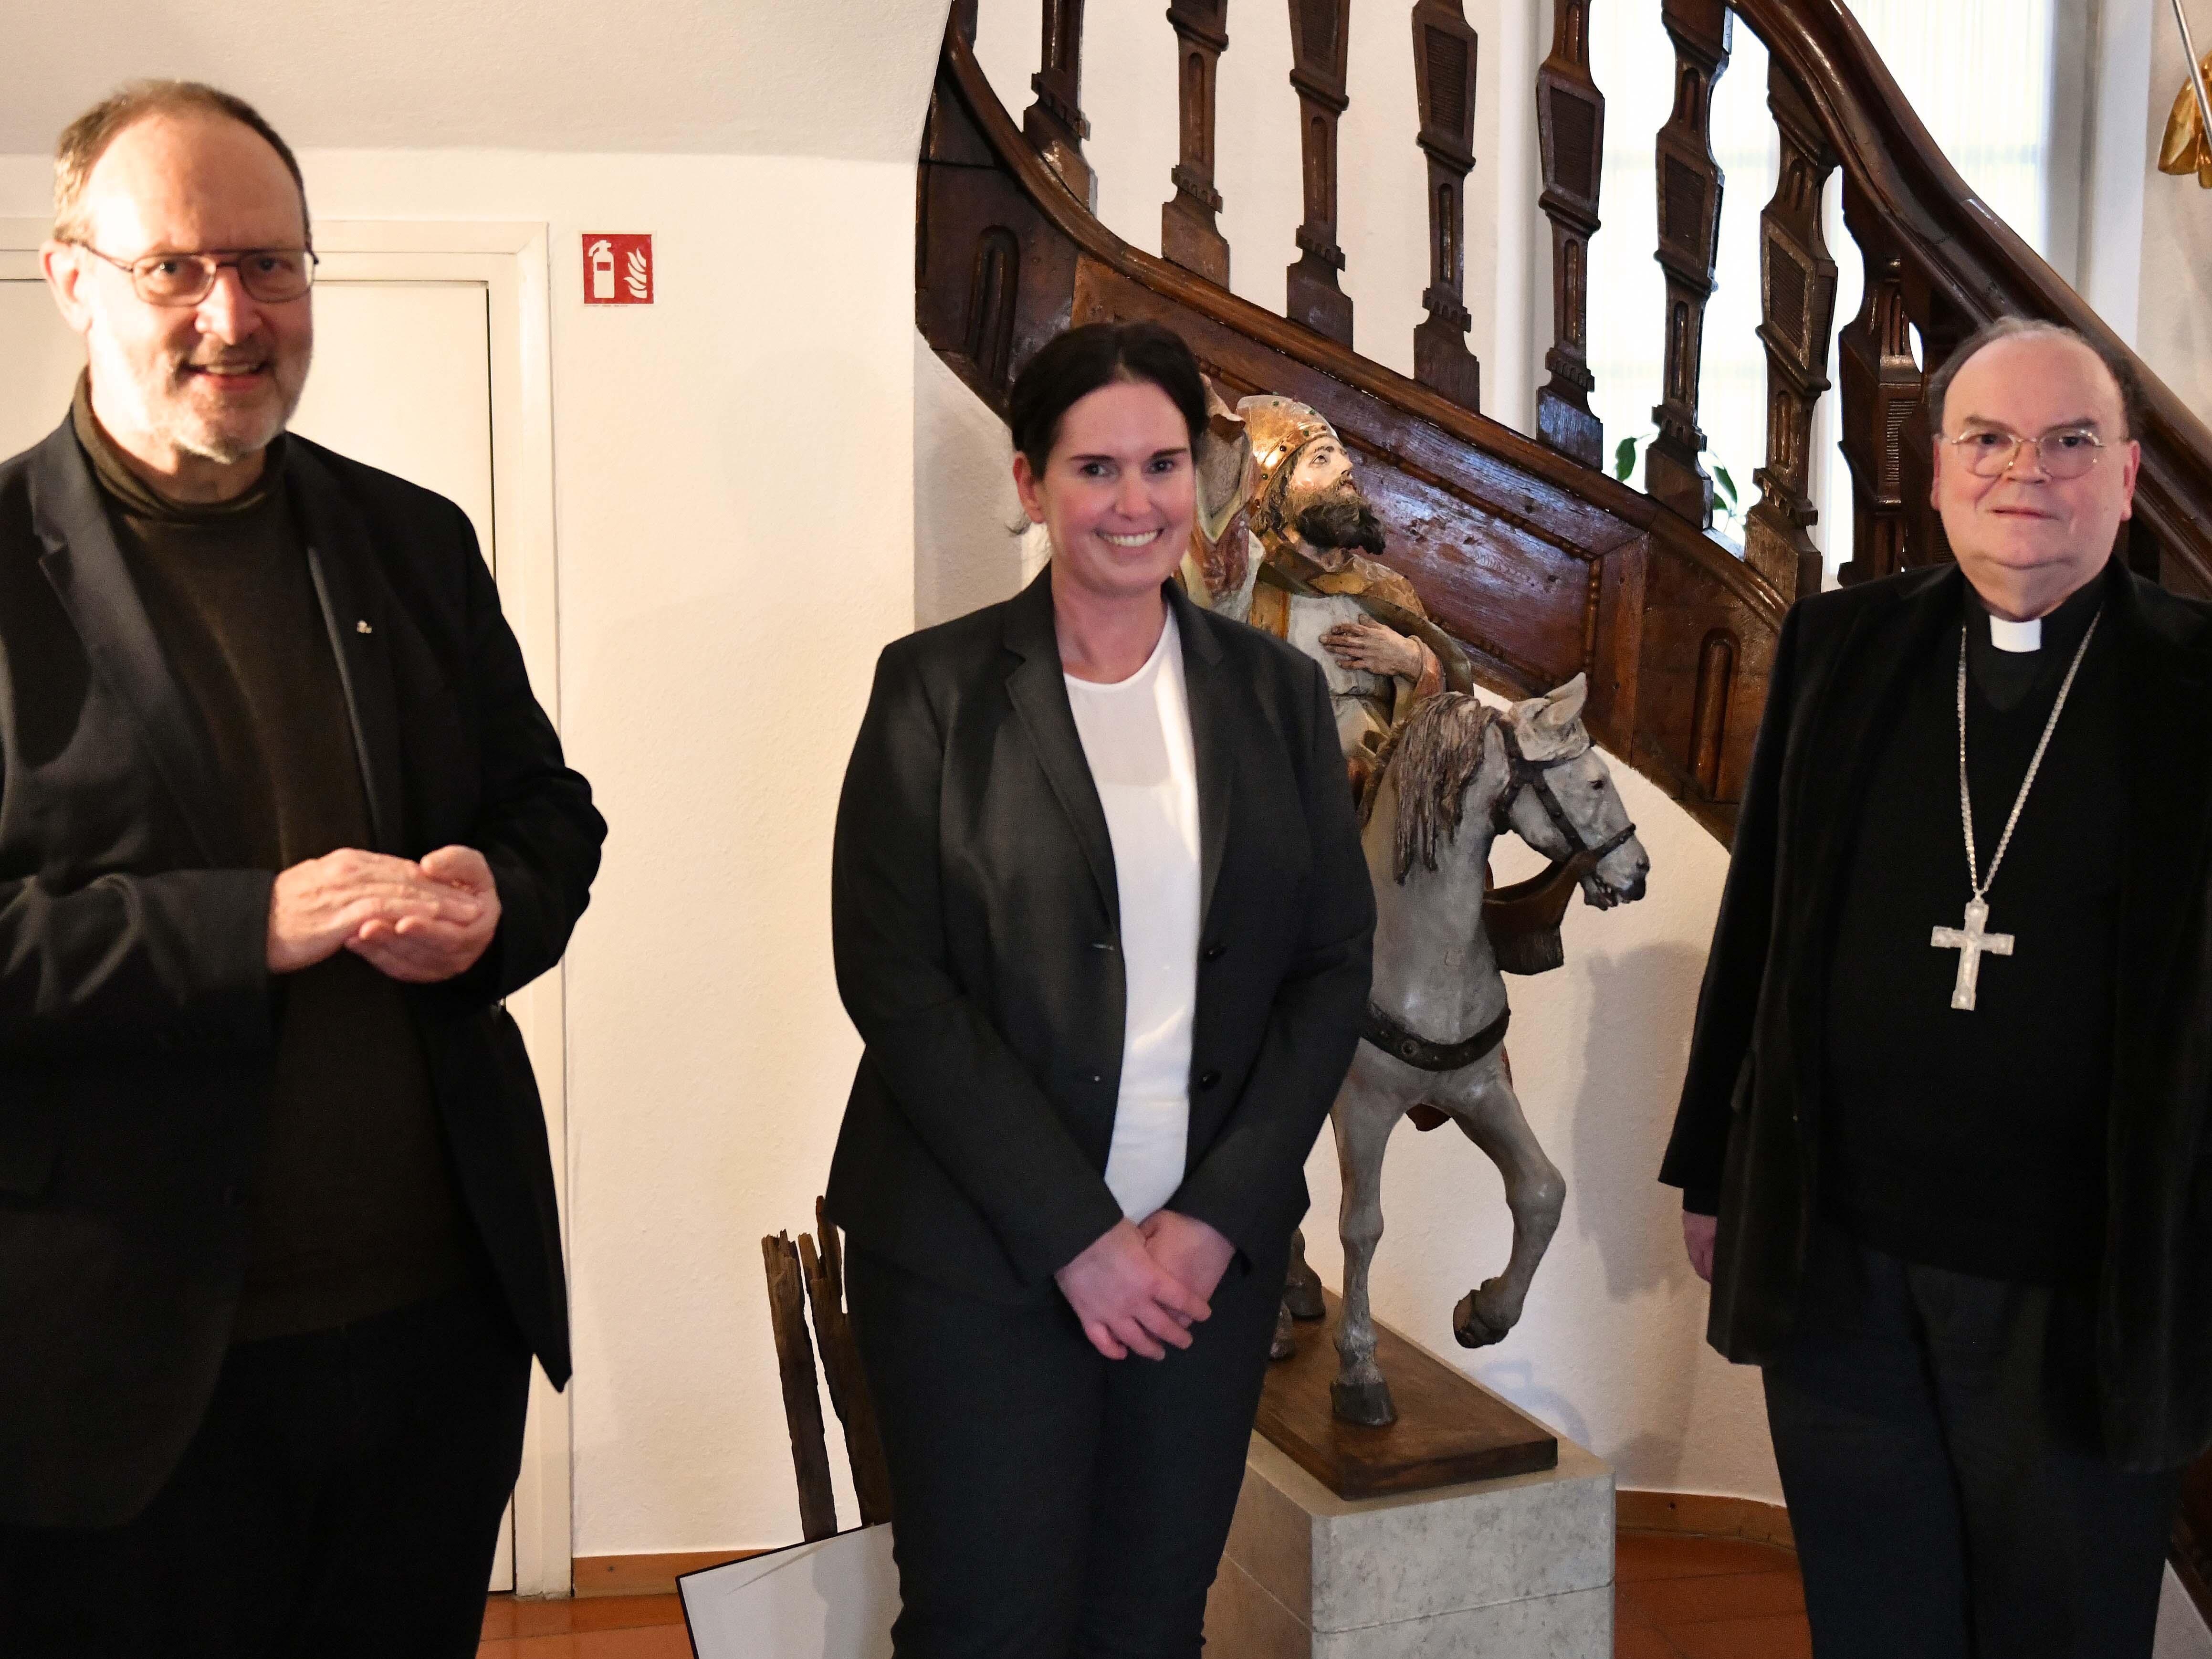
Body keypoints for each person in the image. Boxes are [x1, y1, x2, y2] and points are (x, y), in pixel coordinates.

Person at [0, 82, 604, 1656]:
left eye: (271, 265)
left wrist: (491, 906)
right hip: (120, 1375)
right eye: (177, 269)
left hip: (430, 1338)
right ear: (73, 278)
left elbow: (555, 818)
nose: (232, 313)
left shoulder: (411, 538)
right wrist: (239, 927)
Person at [826, 320, 1374, 1658]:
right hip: (975, 1262)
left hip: (1199, 1271)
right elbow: (893, 978)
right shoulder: (934, 690)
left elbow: (1328, 966)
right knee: (983, 1622)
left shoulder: (1277, 695)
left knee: (1148, 1619)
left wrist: (1208, 1222)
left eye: (1163, 465)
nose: (1134, 503)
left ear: (1203, 481)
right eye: (1093, 469)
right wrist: (1077, 1233)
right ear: (1029, 484)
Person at [1660, 316, 2205, 1659]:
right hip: (1842, 1258)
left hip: (2082, 1285)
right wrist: (1710, 1167)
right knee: (1870, 1610)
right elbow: (1765, 922)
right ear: (1941, 467)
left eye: (2069, 441)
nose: (2027, 470)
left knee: (2061, 1627)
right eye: (1989, 438)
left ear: (2125, 479)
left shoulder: (2196, 683)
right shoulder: (1843, 648)